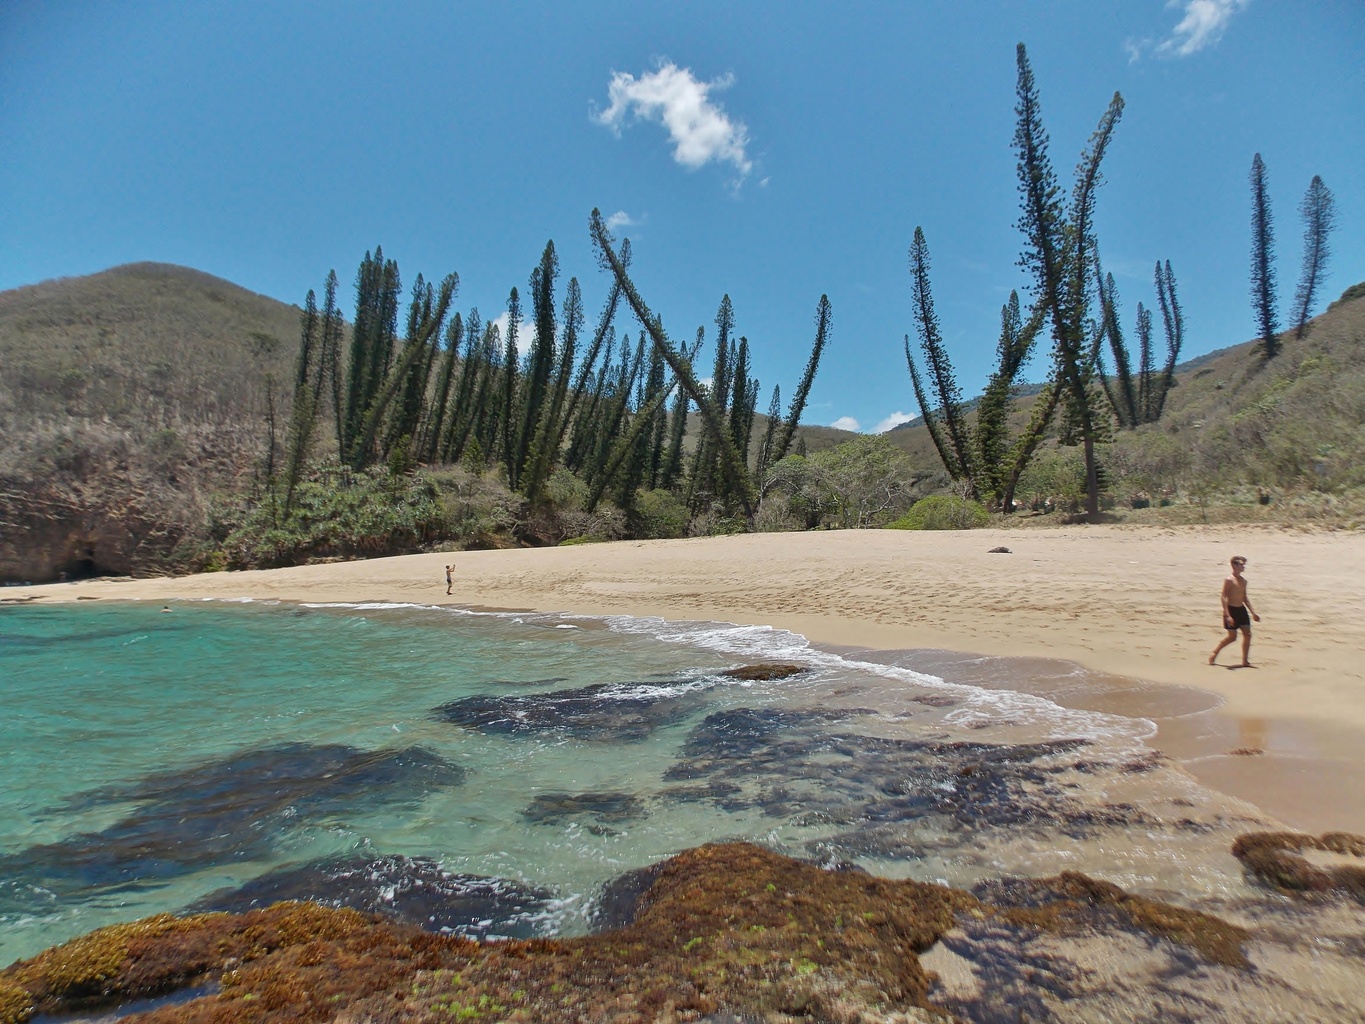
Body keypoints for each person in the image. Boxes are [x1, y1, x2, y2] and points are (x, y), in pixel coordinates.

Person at [1209, 555, 1259, 666]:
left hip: (1241, 610)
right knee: (1232, 637)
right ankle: (1215, 652)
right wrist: (1227, 615)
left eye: (1244, 564)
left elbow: (1245, 598)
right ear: (1234, 565)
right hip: (1231, 610)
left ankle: (1245, 660)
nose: (1243, 566)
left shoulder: (1243, 581)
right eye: (1241, 564)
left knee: (1248, 634)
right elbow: (1223, 597)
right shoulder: (1229, 580)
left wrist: (1253, 612)